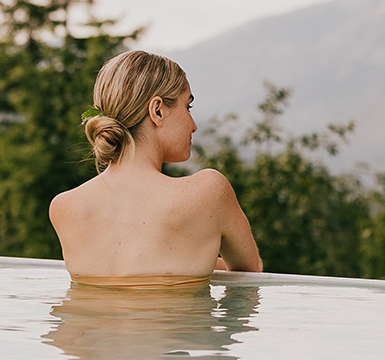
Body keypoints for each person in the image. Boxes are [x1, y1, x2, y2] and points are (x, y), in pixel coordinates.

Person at [49, 50, 262, 288]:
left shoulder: (64, 207)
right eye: (187, 107)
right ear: (157, 110)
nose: (194, 126)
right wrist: (197, 260)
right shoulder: (209, 191)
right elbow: (248, 272)